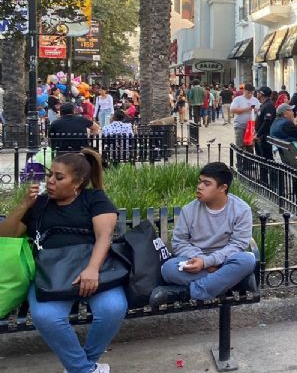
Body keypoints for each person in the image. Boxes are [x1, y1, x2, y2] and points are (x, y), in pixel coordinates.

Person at [0, 149, 124, 373]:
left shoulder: (94, 198)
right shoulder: (40, 204)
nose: (50, 181)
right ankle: (84, 369)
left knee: (113, 308)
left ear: (77, 183)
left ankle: (81, 365)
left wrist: (92, 270)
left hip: (93, 269)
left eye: (59, 177)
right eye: (50, 175)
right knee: (46, 316)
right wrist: (24, 205)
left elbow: (104, 237)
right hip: (51, 274)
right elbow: (5, 236)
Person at [150, 162, 257, 306]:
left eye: (207, 184)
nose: (199, 187)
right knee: (168, 269)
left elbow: (237, 245)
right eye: (199, 182)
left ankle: (188, 292)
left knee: (247, 260)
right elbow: (179, 243)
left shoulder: (241, 210)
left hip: (225, 260)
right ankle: (234, 281)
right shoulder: (189, 210)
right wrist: (202, 261)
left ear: (222, 188)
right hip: (194, 260)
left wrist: (208, 262)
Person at [230, 84, 259, 151]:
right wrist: (246, 109)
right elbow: (232, 110)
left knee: (250, 145)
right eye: (248, 93)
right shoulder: (238, 99)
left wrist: (256, 110)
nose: (250, 94)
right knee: (240, 146)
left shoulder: (255, 100)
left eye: (252, 93)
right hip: (240, 125)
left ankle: (249, 161)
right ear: (244, 91)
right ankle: (240, 161)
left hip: (251, 126)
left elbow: (259, 110)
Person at [254, 87, 276, 159]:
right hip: (260, 136)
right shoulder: (263, 105)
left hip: (264, 136)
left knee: (266, 158)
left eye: (258, 92)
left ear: (262, 94)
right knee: (261, 158)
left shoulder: (268, 105)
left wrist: (258, 134)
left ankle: (270, 171)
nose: (257, 94)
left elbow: (267, 121)